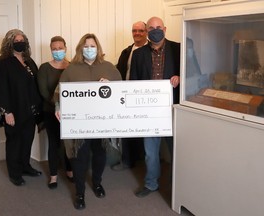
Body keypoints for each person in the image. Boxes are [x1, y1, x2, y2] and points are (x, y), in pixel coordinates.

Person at [54, 33, 121, 210]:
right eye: (86, 46)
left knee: (100, 154)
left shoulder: (109, 67)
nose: (89, 49)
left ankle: (97, 183)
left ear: (98, 48)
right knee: (79, 157)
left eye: (92, 46)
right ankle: (80, 192)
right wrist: (58, 107)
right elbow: (59, 92)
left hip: (102, 122)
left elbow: (122, 91)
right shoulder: (71, 69)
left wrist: (111, 86)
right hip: (79, 124)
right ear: (80, 49)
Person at [0, 29, 43, 186]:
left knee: (27, 139)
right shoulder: (2, 63)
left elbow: (35, 84)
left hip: (30, 110)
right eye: (16, 41)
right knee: (14, 142)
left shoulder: (28, 61)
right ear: (9, 43)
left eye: (22, 40)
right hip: (14, 111)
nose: (20, 43)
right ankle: (14, 173)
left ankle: (25, 166)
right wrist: (7, 112)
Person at [130, 17, 180, 197]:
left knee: (177, 149)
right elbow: (133, 83)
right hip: (149, 111)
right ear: (147, 31)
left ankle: (178, 185)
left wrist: (180, 78)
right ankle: (151, 184)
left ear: (165, 29)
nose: (155, 30)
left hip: (174, 109)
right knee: (150, 152)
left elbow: (194, 75)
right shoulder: (138, 54)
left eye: (158, 27)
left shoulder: (178, 49)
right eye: (151, 28)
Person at [37, 36, 74, 189]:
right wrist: (58, 106)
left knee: (69, 144)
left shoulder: (72, 66)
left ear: (65, 48)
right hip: (51, 111)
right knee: (54, 143)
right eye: (54, 49)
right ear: (51, 50)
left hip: (71, 113)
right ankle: (53, 176)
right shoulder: (44, 68)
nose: (57, 51)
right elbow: (44, 92)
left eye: (60, 48)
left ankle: (70, 171)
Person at [111, 21, 147, 171]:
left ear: (146, 32)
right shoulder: (126, 52)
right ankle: (126, 160)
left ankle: (143, 161)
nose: (137, 33)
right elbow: (119, 72)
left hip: (143, 97)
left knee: (144, 130)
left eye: (140, 30)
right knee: (125, 128)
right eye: (134, 30)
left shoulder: (151, 51)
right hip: (125, 96)